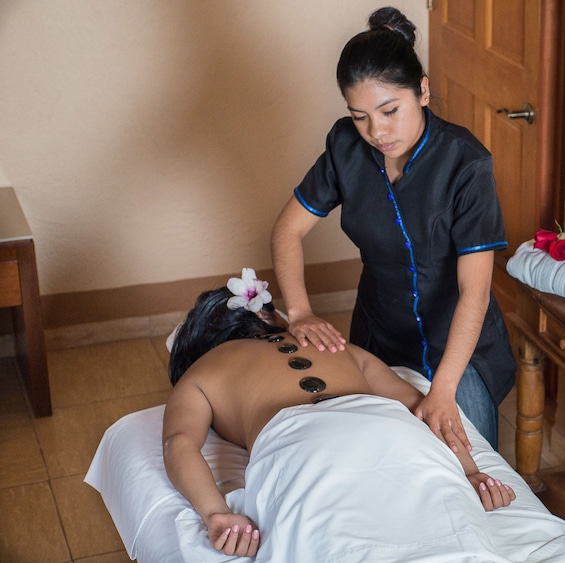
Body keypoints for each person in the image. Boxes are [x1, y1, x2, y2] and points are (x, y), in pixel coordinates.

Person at [271, 7, 515, 453]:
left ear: (422, 90)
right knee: (381, 457)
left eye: (389, 111)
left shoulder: (465, 163)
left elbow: (475, 292)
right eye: (359, 116)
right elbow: (288, 230)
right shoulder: (346, 146)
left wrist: (443, 390)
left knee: (469, 460)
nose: (377, 131)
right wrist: (300, 312)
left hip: (456, 347)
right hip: (377, 335)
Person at [163, 269, 515, 558]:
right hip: (392, 429)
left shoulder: (202, 371)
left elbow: (179, 444)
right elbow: (420, 406)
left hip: (301, 447)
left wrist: (216, 514)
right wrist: (470, 472)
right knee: (448, 537)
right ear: (268, 315)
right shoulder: (337, 346)